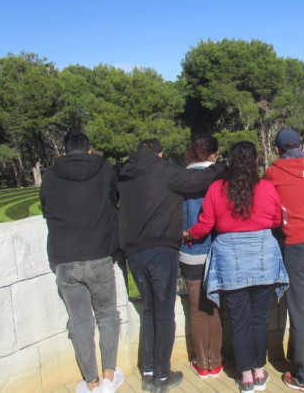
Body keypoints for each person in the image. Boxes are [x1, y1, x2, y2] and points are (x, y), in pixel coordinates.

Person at [117, 138, 226, 393]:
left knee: (149, 312)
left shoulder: (124, 173)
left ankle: (149, 373)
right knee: (164, 313)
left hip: (134, 253)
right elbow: (197, 181)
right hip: (161, 249)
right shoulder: (163, 169)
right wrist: (221, 167)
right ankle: (162, 377)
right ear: (160, 153)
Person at [183, 141, 289, 393]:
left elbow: (205, 224)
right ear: (254, 161)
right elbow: (276, 219)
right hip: (263, 254)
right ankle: (259, 371)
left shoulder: (217, 189)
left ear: (230, 161)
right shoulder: (267, 187)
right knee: (260, 319)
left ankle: (245, 376)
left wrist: (187, 234)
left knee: (240, 321)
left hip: (230, 257)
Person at [40, 131, 124, 393]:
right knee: (107, 314)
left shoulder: (50, 175)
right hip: (98, 253)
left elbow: (46, 208)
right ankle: (109, 376)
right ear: (89, 150)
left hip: (64, 257)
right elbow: (114, 199)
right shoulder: (104, 168)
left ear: (63, 152)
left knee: (79, 322)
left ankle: (91, 382)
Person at [263, 128, 304, 393]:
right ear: (302, 144)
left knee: (300, 313)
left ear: (277, 150)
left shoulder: (273, 173)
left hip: (294, 246)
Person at [179, 135, 224, 380]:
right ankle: (215, 362)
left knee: (196, 309)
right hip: (216, 250)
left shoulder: (179, 179)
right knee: (213, 308)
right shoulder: (219, 178)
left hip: (190, 251)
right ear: (213, 155)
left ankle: (203, 362)